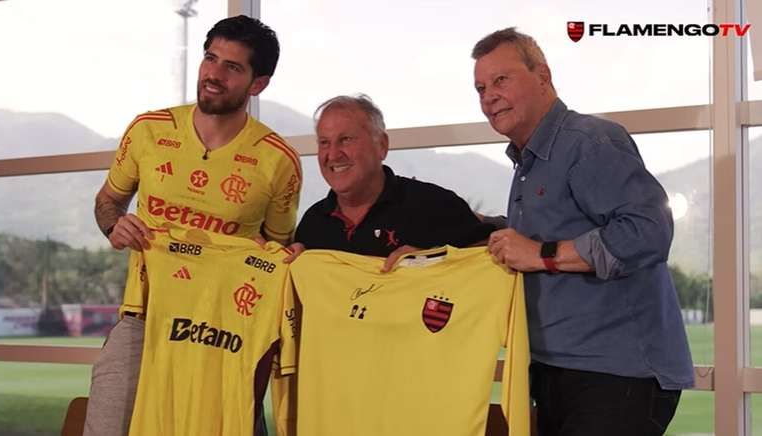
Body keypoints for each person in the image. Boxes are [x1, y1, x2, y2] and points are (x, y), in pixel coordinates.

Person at [85, 15, 301, 436]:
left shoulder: (279, 161)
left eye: (232, 67)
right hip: (142, 317)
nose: (213, 75)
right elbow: (107, 202)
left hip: (225, 330)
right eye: (210, 58)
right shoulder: (148, 130)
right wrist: (115, 227)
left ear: (258, 84)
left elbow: (275, 250)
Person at [472, 28, 693, 435]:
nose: (488, 96)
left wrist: (541, 253)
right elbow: (538, 236)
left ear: (543, 75)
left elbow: (649, 230)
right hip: (558, 372)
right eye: (481, 87)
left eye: (501, 80)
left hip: (616, 377)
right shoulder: (529, 162)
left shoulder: (589, 141)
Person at [284, 94, 493, 265]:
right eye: (324, 143)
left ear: (381, 145)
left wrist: (432, 259)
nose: (333, 154)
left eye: (346, 139)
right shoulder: (312, 224)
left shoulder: (435, 205)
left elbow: (491, 254)